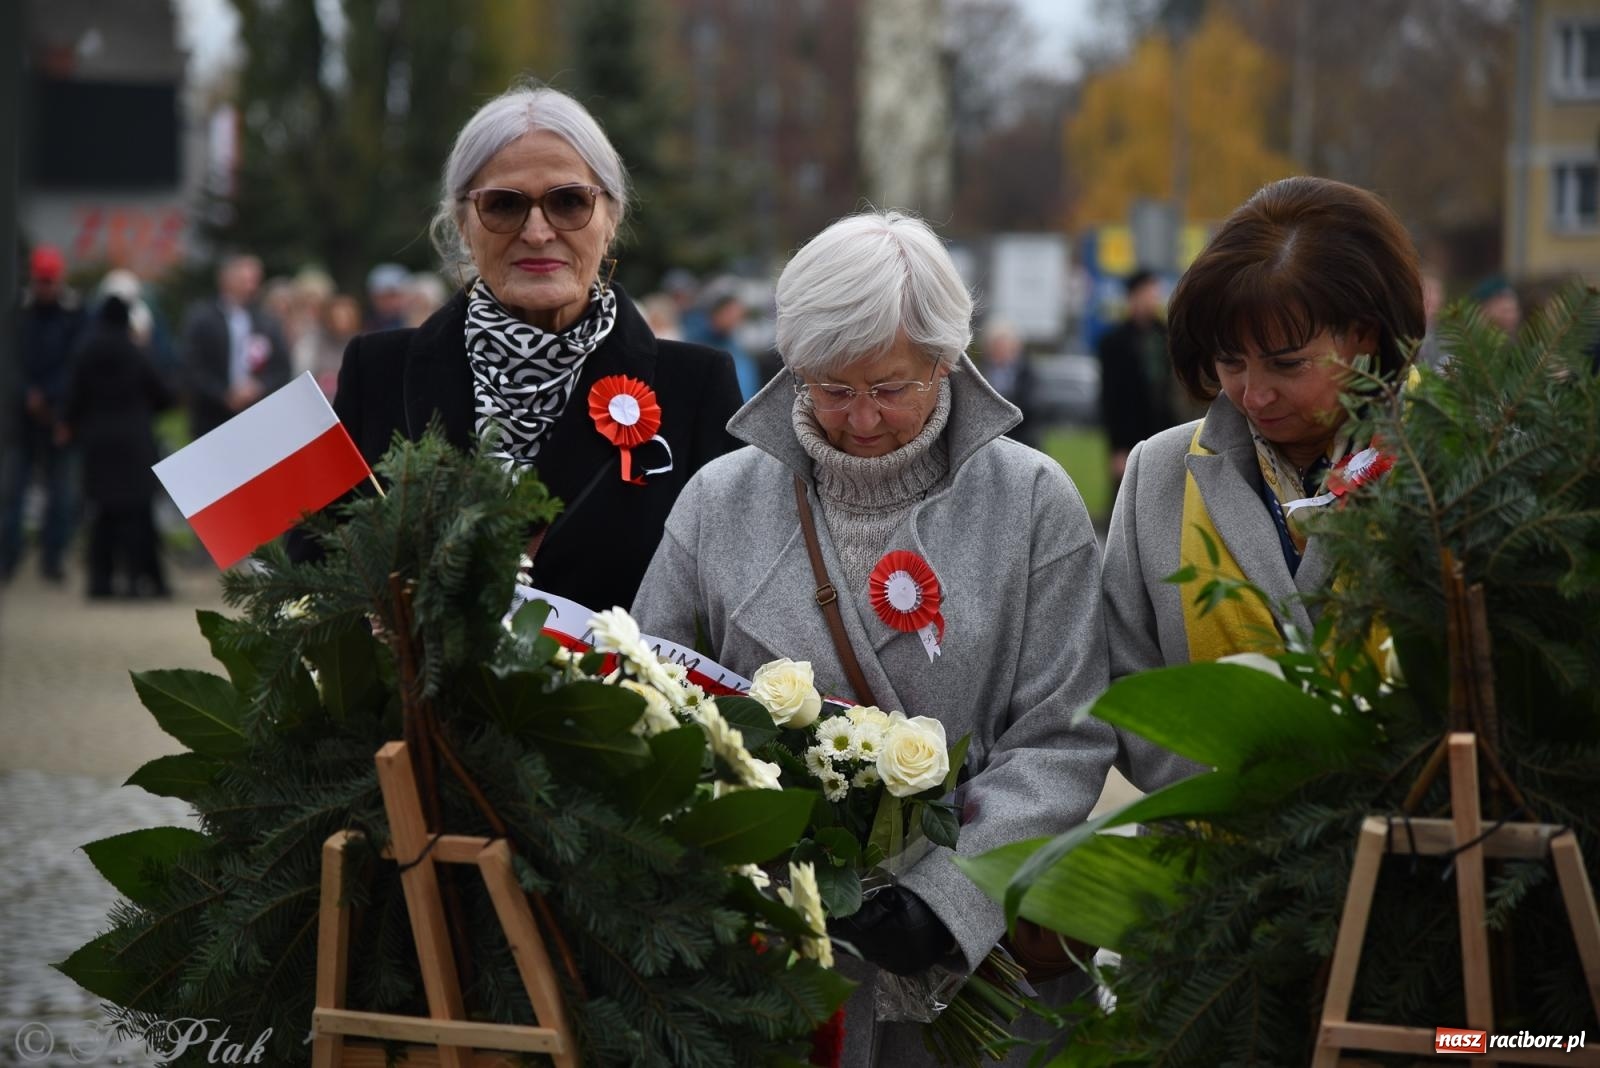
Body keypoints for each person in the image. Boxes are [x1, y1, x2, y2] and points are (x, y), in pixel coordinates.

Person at [633, 210, 1115, 1066]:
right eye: (829, 387)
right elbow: (650, 699)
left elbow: (1065, 735)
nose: (859, 420)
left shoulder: (1033, 502)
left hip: (978, 973)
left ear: (946, 361)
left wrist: (948, 898)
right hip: (775, 966)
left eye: (891, 387)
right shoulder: (719, 500)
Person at [328, 83, 743, 611]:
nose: (538, 231)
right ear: (462, 222)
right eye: (504, 205)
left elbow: (731, 598)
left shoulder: (696, 387)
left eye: (569, 201)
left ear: (611, 219)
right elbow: (317, 576)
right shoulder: (377, 370)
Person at [1101, 176, 1425, 791]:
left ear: (1364, 336)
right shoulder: (1160, 471)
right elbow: (1126, 680)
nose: (1254, 392)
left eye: (1286, 363)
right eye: (1230, 362)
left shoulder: (1454, 462)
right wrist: (1236, 788)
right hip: (1211, 860)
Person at [60, 297, 175, 598]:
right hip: (134, 442)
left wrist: (69, 425)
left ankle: (100, 583)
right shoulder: (135, 352)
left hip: (97, 443)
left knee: (103, 516)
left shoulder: (84, 351)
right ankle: (141, 581)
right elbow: (164, 395)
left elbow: (72, 396)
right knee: (138, 516)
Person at [2, 245, 87, 583]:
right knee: (12, 494)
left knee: (61, 498)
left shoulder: (74, 317)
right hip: (19, 422)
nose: (45, 287)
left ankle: (52, 561)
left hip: (58, 420)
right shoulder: (17, 316)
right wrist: (27, 394)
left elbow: (75, 367)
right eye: (41, 281)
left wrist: (54, 402)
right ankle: (7, 558)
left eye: (50, 281)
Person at [179, 253, 292, 439]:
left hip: (255, 418)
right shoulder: (202, 319)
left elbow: (281, 367)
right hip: (212, 418)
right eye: (245, 279)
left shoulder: (266, 322)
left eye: (255, 280)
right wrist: (223, 394)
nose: (251, 286)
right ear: (226, 279)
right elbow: (192, 367)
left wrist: (258, 387)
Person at [1097, 267, 1177, 487]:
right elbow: (1110, 397)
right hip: (1130, 436)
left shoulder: (1166, 336)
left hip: (1164, 430)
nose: (1155, 299)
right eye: (1150, 293)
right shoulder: (1114, 342)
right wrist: (1117, 448)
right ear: (1135, 296)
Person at [977, 320, 1038, 448]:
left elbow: (1030, 405)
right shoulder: (980, 372)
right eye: (997, 346)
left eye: (1004, 346)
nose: (1001, 350)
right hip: (988, 433)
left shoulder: (1026, 372)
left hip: (1020, 433)